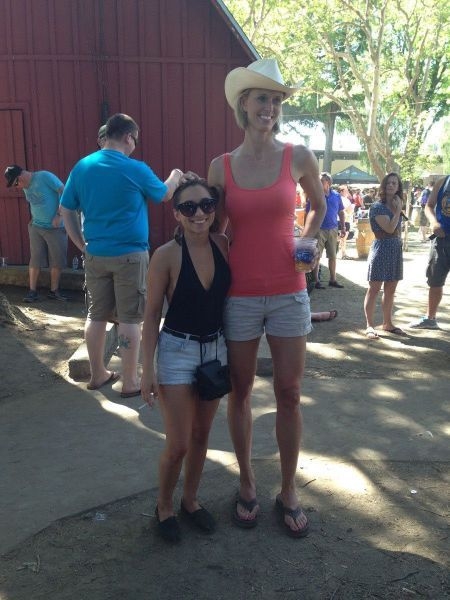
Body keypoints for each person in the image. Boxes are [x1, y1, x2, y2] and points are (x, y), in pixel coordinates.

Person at [208, 58, 326, 538]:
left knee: (289, 393)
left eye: (277, 101)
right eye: (263, 98)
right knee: (239, 391)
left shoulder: (298, 156)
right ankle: (247, 481)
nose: (270, 108)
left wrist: (308, 240)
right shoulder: (221, 166)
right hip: (239, 294)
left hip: (288, 293)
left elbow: (318, 205)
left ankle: (289, 489)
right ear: (244, 103)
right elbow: (213, 228)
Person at [60, 113, 183, 396]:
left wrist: (80, 244)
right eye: (135, 140)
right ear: (128, 137)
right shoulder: (135, 168)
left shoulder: (82, 166)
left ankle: (97, 374)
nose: (134, 146)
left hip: (95, 254)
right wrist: (175, 176)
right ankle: (129, 382)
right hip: (130, 255)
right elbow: (164, 194)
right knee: (130, 318)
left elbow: (66, 208)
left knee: (96, 315)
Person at [140, 178, 230, 542]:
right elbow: (150, 316)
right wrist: (147, 368)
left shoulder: (222, 244)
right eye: (188, 207)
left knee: (201, 435)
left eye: (206, 205)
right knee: (178, 444)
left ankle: (190, 501)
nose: (199, 214)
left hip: (215, 350)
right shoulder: (165, 255)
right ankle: (164, 506)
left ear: (214, 209)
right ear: (176, 214)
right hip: (177, 351)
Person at [4, 164, 67, 302]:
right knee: (35, 259)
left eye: (16, 184)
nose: (17, 187)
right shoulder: (25, 186)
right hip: (36, 227)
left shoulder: (44, 176)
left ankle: (54, 291)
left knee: (57, 260)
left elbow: (64, 191)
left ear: (20, 176)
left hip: (55, 227)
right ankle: (32, 291)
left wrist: (59, 215)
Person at [364, 172, 406, 339]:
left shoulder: (395, 205)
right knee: (374, 289)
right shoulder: (377, 207)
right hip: (381, 249)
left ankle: (387, 323)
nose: (391, 185)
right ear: (383, 185)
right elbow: (389, 228)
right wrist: (398, 210)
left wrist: (398, 209)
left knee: (391, 289)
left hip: (395, 249)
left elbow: (396, 230)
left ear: (398, 187)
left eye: (394, 183)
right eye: (388, 183)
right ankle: (369, 325)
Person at [409, 174, 450, 329]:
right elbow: (429, 206)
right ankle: (430, 318)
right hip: (441, 240)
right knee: (435, 280)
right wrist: (433, 222)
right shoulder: (443, 182)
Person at [308, 173, 346, 288]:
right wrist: (308, 229)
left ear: (328, 182)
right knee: (317, 256)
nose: (318, 183)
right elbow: (308, 213)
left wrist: (343, 227)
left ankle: (333, 279)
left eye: (321, 181)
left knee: (333, 256)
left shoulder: (336, 196)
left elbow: (341, 212)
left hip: (333, 229)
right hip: (318, 229)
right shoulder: (315, 195)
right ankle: (316, 281)